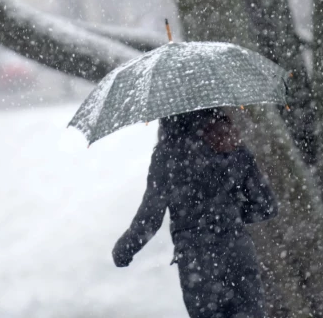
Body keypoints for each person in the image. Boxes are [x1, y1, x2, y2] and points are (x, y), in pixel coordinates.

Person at [112, 108, 278, 318]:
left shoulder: (167, 155)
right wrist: (231, 215)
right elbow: (267, 206)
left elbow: (150, 218)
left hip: (198, 262)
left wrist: (124, 249)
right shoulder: (231, 144)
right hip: (238, 253)